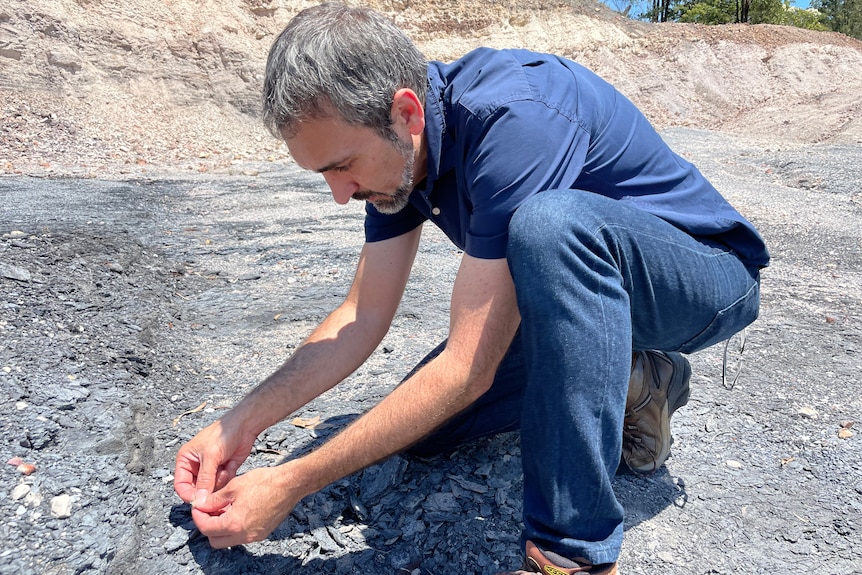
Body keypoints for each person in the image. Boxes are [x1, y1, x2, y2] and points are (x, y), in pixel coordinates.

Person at [173, 3, 769, 573]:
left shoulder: (515, 118)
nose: (338, 192)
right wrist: (240, 423)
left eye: (342, 165)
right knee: (424, 430)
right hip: (596, 296)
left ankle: (573, 553)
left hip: (704, 281)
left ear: (405, 113)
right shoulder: (399, 162)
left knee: (550, 227)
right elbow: (360, 315)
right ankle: (638, 380)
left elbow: (467, 368)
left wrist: (291, 482)